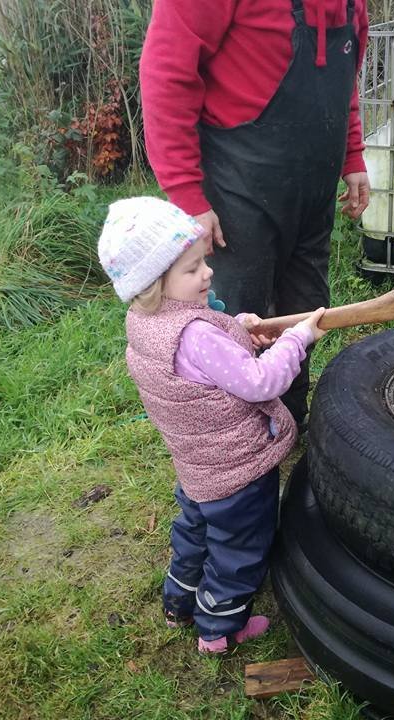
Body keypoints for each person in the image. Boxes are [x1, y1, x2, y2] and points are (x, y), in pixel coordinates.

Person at [98, 196, 327, 653]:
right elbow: (261, 381)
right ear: (152, 284)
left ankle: (178, 603)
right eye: (191, 269)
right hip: (236, 471)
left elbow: (206, 351)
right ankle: (218, 629)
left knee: (195, 530)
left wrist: (240, 329)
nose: (207, 273)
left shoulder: (146, 321)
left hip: (198, 467)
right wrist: (297, 339)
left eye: (203, 262)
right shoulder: (195, 336)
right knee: (239, 549)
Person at [140, 0, 370, 427]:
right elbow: (166, 75)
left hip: (312, 191)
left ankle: (288, 420)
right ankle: (235, 440)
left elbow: (343, 83)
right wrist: (188, 195)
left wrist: (352, 156)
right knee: (236, 321)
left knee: (307, 308)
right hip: (238, 186)